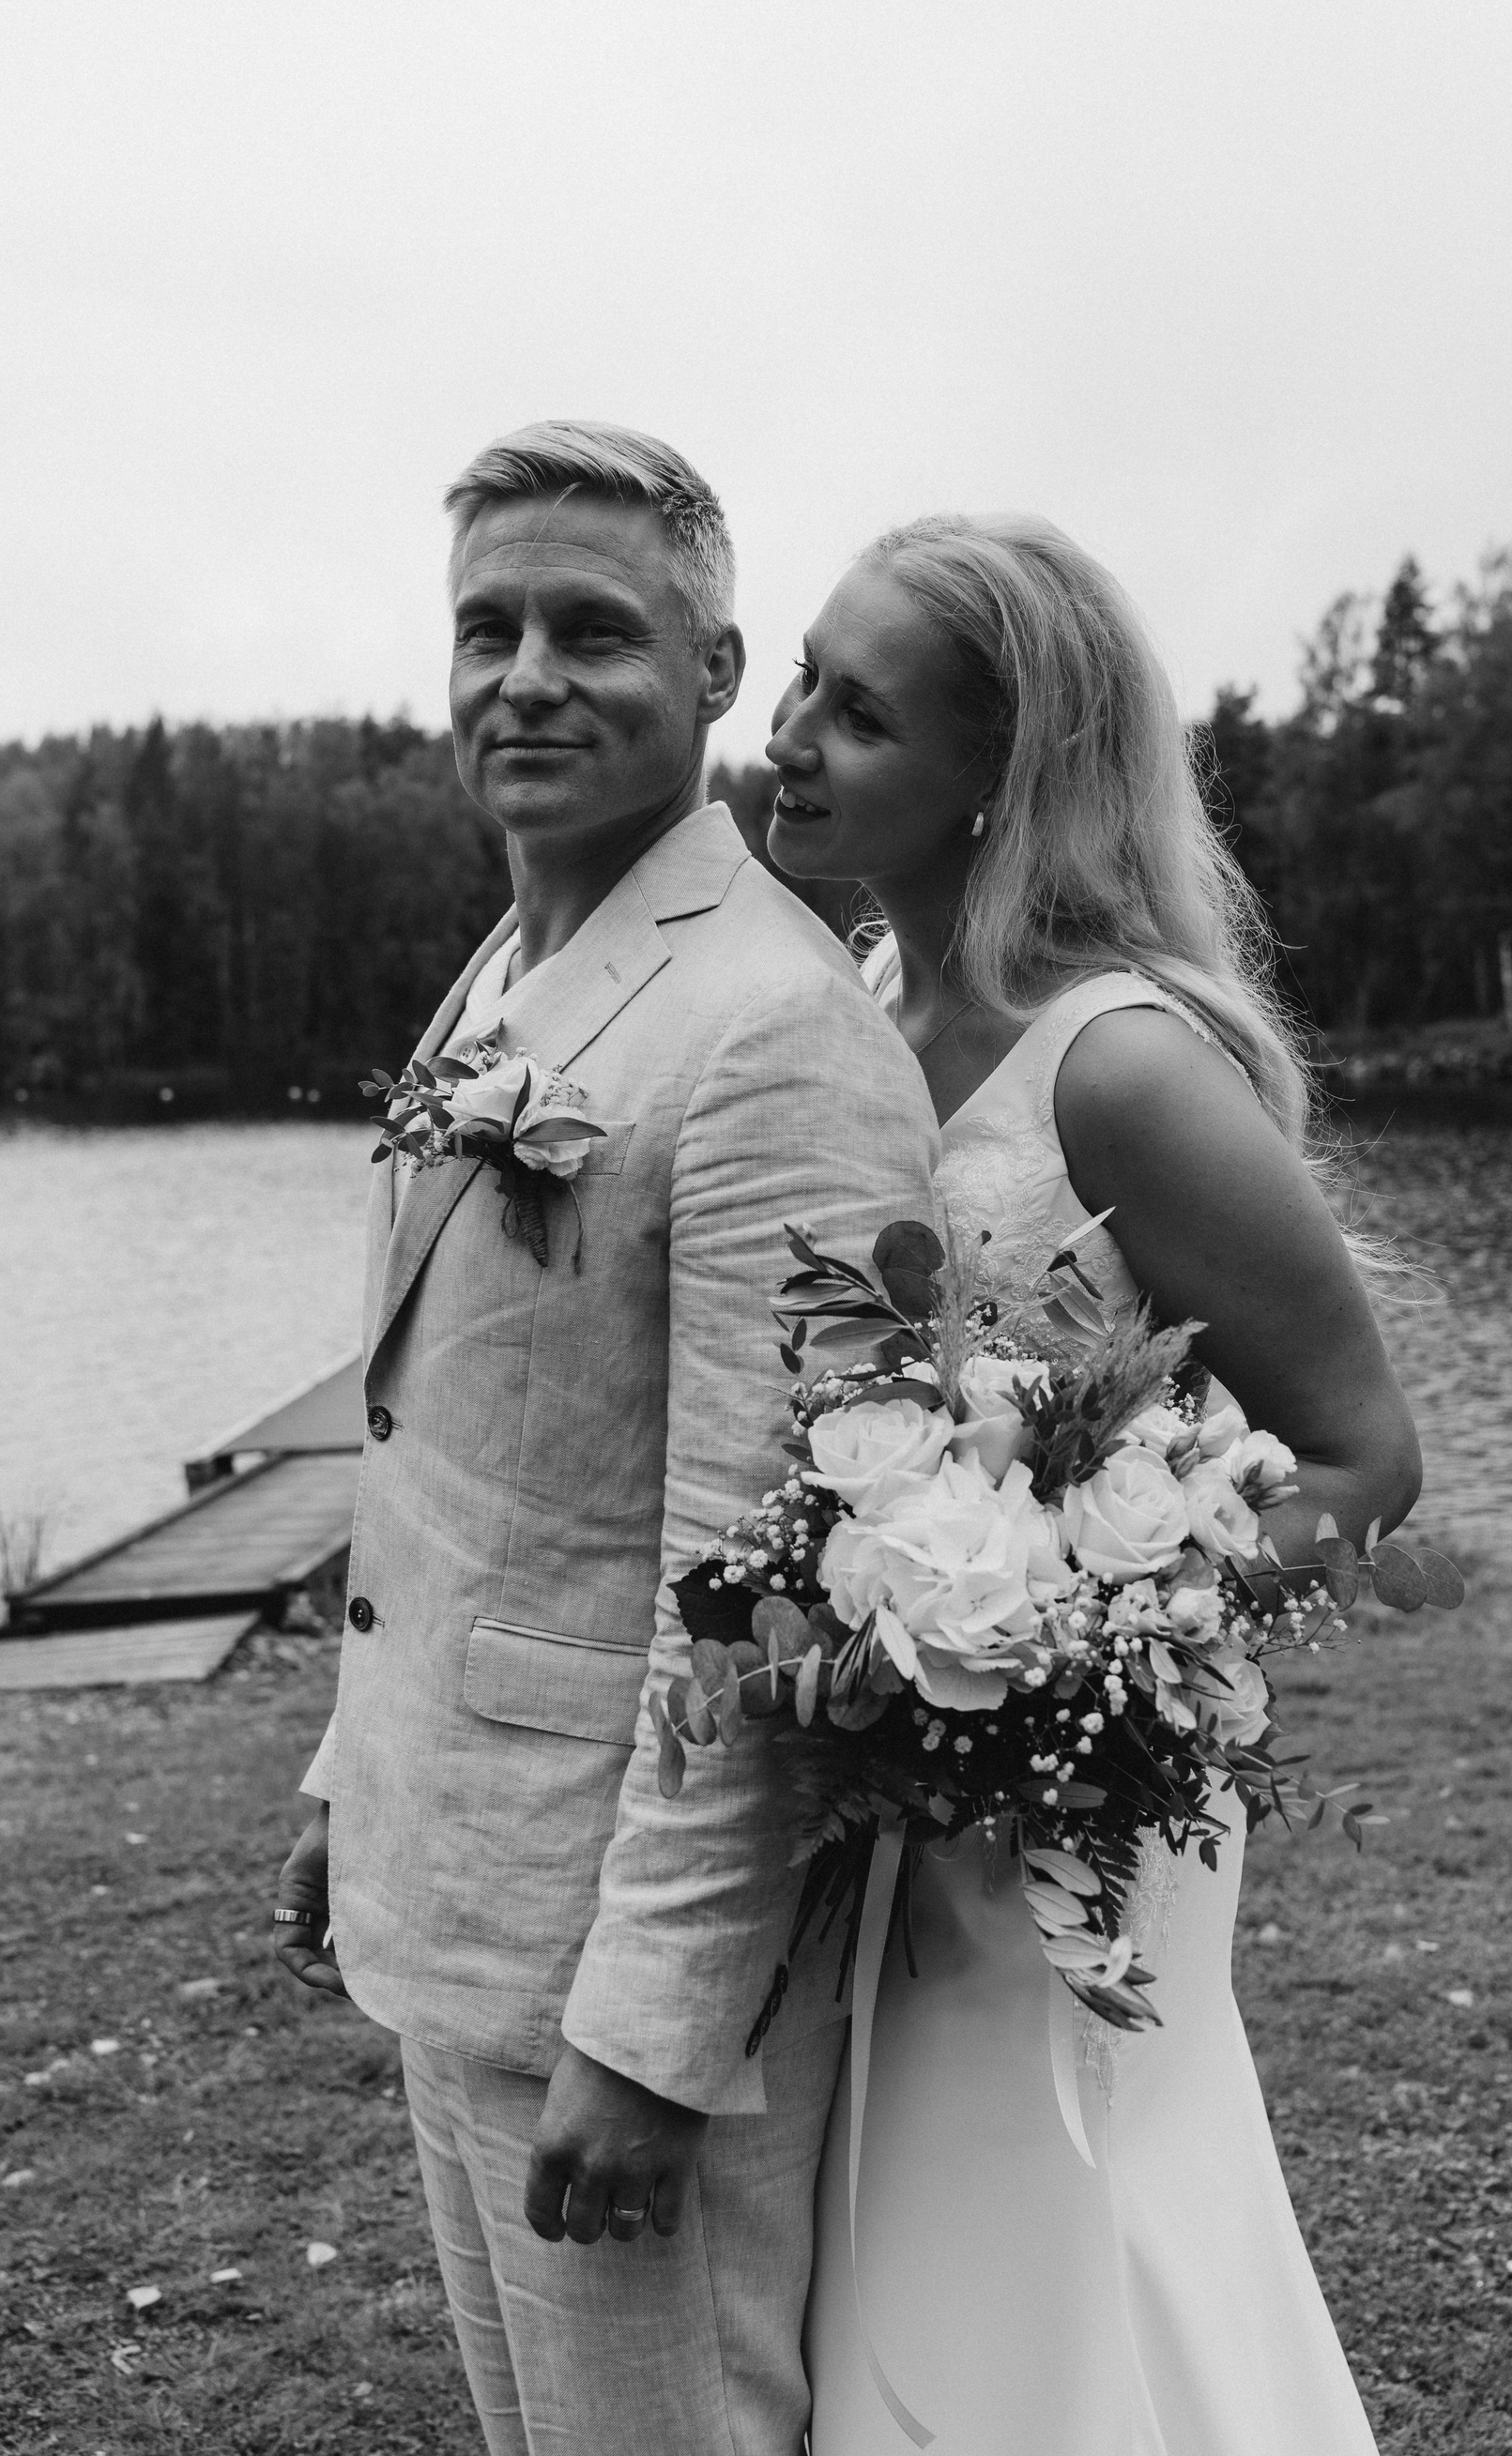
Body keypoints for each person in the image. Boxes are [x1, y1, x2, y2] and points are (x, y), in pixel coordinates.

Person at [270, 423, 938, 2456]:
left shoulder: (776, 1032)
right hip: (459, 1890)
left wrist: (653, 2037)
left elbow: (768, 1598)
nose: (528, 678)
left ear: (716, 671)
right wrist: (349, 1778)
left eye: (593, 630)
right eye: (489, 629)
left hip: (617, 1976)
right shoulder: (510, 965)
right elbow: (453, 1456)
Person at [765, 511, 1422, 2455]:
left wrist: (1085, 1651)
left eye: (859, 713)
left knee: (1068, 2217)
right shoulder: (853, 1002)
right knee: (902, 2242)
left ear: (1003, 774)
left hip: (1070, 1793)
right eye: (802, 677)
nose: (788, 735)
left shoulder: (1118, 1066)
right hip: (879, 1761)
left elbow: (1365, 1455)